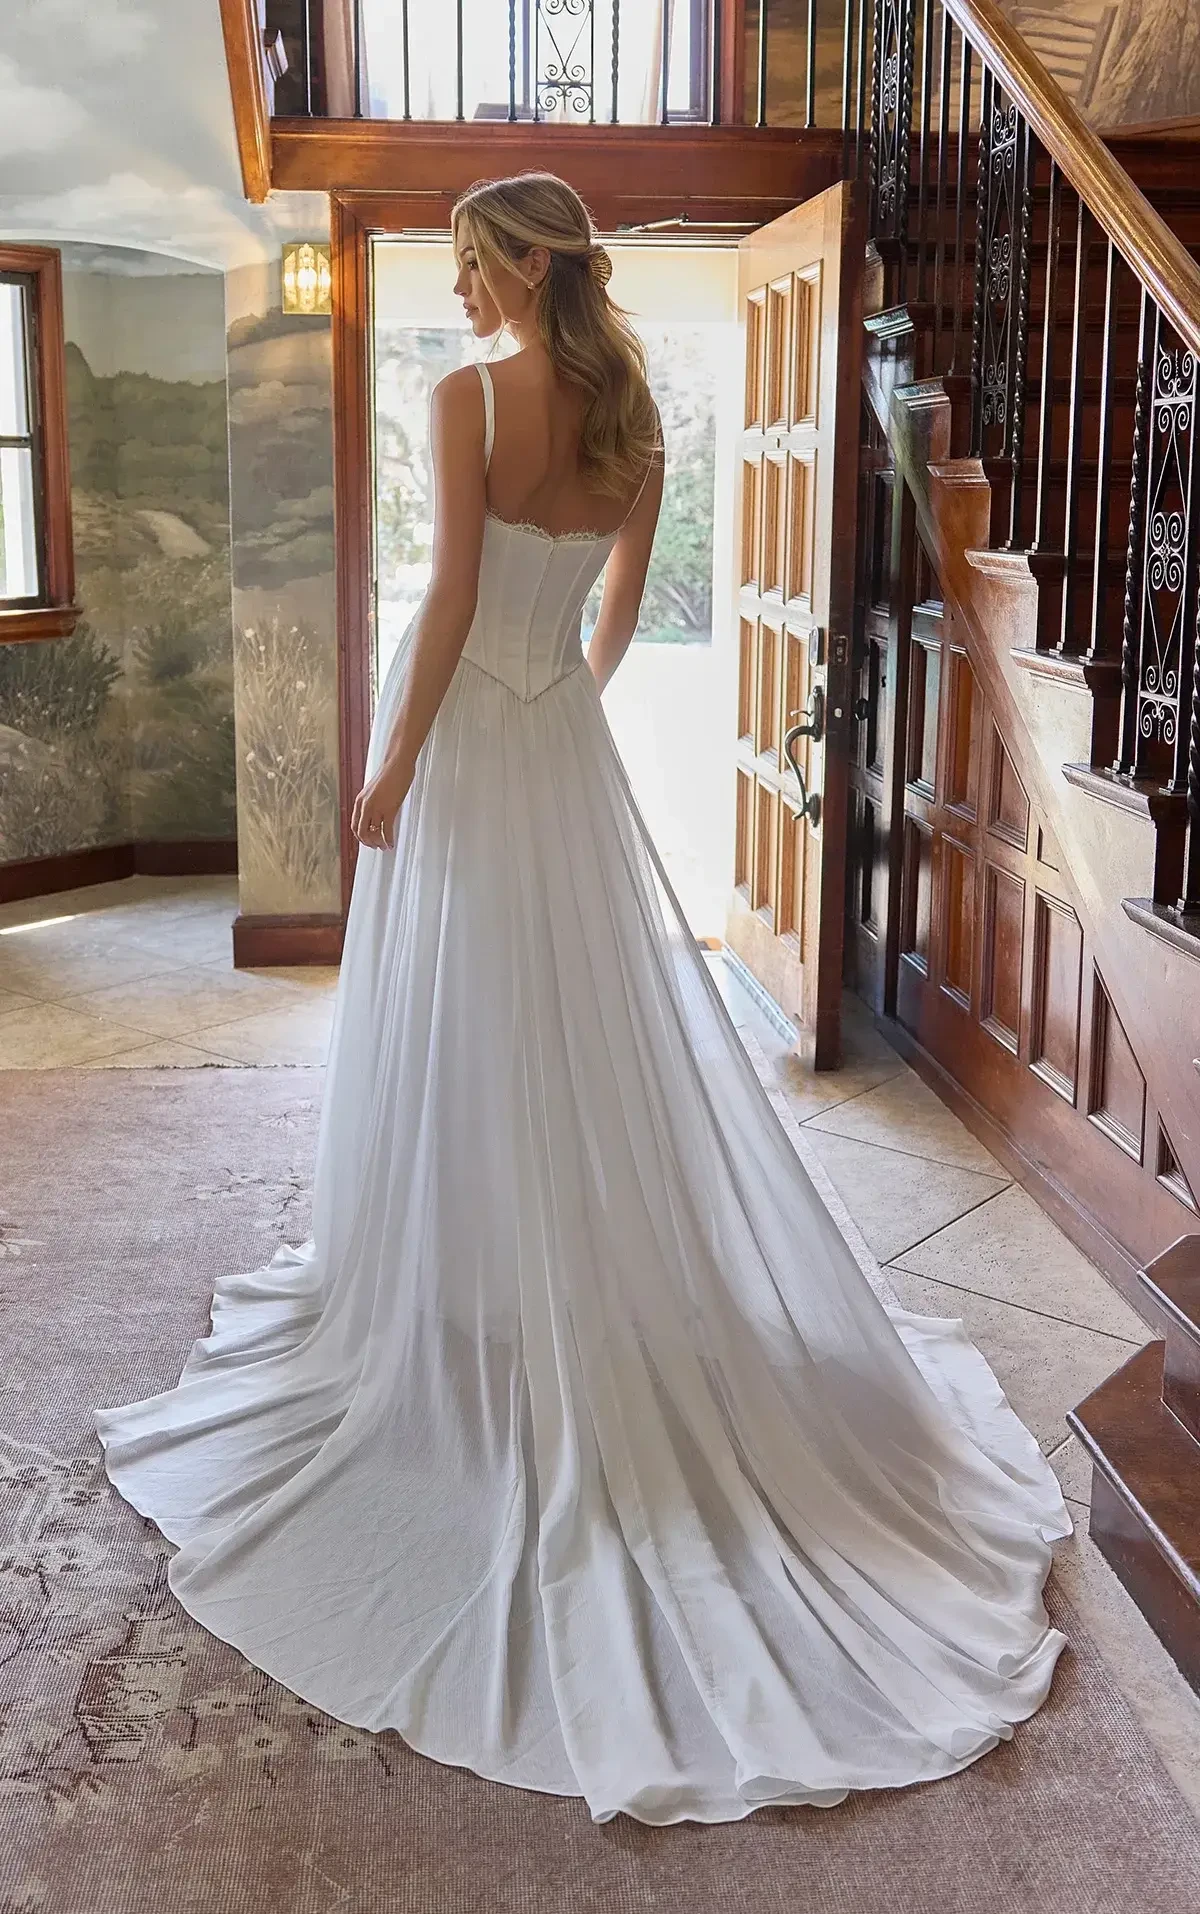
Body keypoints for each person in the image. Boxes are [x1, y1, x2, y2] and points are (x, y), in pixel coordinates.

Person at [95, 171, 1071, 1828]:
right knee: (567, 1017)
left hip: (467, 735)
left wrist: (395, 766)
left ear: (521, 265)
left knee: (463, 1008)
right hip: (554, 743)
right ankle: (531, 1267)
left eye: (476, 266)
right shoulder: (636, 419)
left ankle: (460, 1284)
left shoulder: (464, 395)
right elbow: (605, 618)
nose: (464, 292)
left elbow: (454, 597)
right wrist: (554, 713)